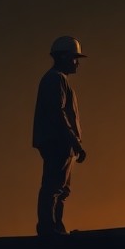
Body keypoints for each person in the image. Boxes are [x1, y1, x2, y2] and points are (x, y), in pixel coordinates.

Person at [32, 36, 87, 235]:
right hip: (59, 141)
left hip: (60, 141)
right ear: (64, 57)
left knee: (61, 188)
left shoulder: (57, 79)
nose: (77, 62)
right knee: (54, 187)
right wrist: (74, 142)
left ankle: (55, 227)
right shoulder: (55, 79)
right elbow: (58, 112)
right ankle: (49, 228)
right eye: (74, 58)